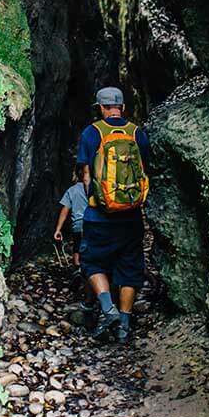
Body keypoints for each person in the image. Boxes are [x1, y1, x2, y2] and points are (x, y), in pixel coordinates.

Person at [77, 86, 150, 344]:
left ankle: (108, 310)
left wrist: (95, 201)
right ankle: (124, 326)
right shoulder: (136, 133)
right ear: (123, 107)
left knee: (93, 263)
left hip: (99, 216)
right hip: (131, 216)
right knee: (129, 268)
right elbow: (144, 170)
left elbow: (86, 175)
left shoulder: (91, 132)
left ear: (100, 107)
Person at [53, 166, 88, 267]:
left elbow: (65, 210)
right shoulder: (94, 188)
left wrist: (58, 229)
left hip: (77, 225)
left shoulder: (72, 190)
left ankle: (77, 269)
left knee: (77, 246)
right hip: (92, 223)